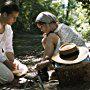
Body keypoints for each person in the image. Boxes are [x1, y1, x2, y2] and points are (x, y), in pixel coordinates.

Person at [35, 11, 89, 81]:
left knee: (50, 37)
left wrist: (48, 62)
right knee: (44, 40)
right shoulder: (56, 31)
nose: (41, 30)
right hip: (68, 56)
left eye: (42, 27)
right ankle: (44, 69)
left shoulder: (63, 29)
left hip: (77, 55)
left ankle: (43, 68)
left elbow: (65, 51)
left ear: (48, 23)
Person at [0, 1, 28, 84]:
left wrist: (12, 62)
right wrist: (7, 63)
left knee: (23, 68)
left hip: (1, 57)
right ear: (5, 14)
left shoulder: (8, 28)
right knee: (8, 77)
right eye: (13, 17)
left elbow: (8, 47)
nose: (15, 20)